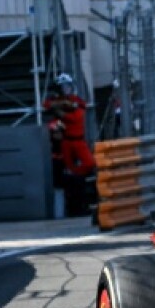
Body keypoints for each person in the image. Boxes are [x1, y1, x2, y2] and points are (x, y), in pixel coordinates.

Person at [43, 73, 96, 217]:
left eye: (68, 86)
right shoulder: (59, 101)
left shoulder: (75, 101)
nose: (66, 90)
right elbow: (47, 105)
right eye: (63, 87)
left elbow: (78, 113)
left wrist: (63, 112)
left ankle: (77, 176)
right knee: (68, 170)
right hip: (66, 141)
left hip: (78, 139)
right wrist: (59, 106)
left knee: (89, 163)